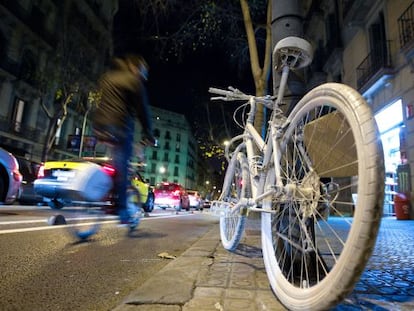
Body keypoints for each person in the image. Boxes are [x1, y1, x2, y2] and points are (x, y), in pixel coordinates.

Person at [92, 54, 155, 226]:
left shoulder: (108, 77)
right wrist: (149, 134)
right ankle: (121, 210)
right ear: (136, 69)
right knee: (123, 167)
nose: (143, 76)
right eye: (143, 72)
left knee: (113, 161)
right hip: (118, 128)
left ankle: (104, 190)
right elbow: (143, 112)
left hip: (98, 126)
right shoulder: (134, 81)